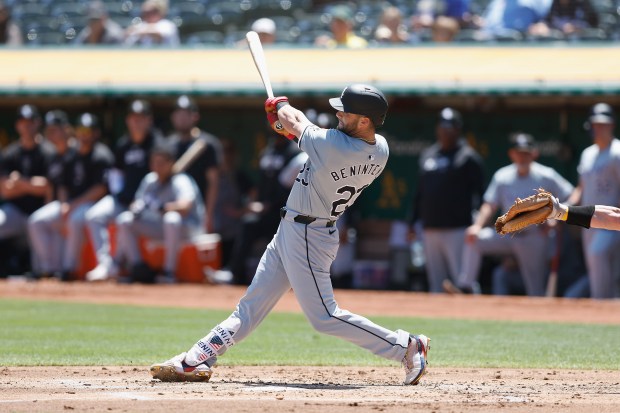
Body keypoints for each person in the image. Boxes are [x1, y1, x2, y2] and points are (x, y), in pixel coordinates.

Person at [150, 84, 430, 386]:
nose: (337, 113)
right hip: (295, 230)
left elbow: (298, 123)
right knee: (250, 308)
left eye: (345, 112)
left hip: (309, 235)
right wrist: (285, 124)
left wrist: (280, 105)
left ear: (364, 121)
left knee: (324, 316)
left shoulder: (334, 144)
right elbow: (299, 131)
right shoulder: (380, 148)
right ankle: (196, 358)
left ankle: (407, 345)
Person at [446, 133, 574, 296]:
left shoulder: (546, 175)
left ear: (534, 153)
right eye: (519, 152)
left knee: (535, 292)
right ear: (511, 154)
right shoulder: (503, 176)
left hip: (533, 237)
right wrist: (477, 226)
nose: (522, 156)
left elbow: (571, 194)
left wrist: (557, 218)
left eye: (526, 152)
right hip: (507, 233)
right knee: (474, 239)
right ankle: (465, 287)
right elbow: (489, 206)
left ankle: (539, 316)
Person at [28, 112, 114, 281]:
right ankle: (48, 268)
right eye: (81, 130)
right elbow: (63, 185)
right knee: (36, 220)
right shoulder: (71, 154)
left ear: (96, 133)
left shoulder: (101, 154)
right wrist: (63, 204)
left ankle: (69, 268)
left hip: (92, 203)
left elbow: (101, 189)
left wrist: (72, 205)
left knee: (75, 219)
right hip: (71, 202)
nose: (84, 135)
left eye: (88, 131)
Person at [85, 99, 164, 281]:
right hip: (124, 199)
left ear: (148, 120)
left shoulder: (157, 144)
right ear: (128, 120)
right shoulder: (123, 145)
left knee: (124, 221)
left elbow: (161, 178)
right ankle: (106, 265)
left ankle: (120, 264)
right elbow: (115, 176)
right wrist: (120, 196)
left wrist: (143, 201)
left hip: (148, 203)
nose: (137, 122)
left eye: (141, 118)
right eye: (133, 118)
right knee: (94, 215)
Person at [410, 108, 485, 293]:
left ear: (458, 129)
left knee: (463, 280)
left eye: (450, 127)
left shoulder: (468, 157)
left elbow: (481, 194)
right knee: (436, 281)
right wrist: (412, 221)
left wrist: (477, 222)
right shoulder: (429, 155)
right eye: (442, 126)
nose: (445, 131)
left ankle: (475, 315)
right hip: (430, 228)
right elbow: (420, 192)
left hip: (458, 228)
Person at [211, 133, 302, 285]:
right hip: (265, 211)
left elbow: (288, 186)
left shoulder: (295, 152)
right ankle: (233, 273)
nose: (277, 136)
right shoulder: (268, 151)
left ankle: (295, 280)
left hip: (287, 211)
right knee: (248, 224)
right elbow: (262, 183)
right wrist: (256, 204)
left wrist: (270, 204)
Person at [115, 144, 204, 284]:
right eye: (154, 163)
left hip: (188, 228)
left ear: (171, 164)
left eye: (161, 163)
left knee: (171, 219)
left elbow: (185, 206)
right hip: (162, 227)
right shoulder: (150, 180)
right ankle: (138, 267)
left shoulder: (180, 180)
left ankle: (169, 272)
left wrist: (162, 207)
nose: (157, 167)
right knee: (124, 220)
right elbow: (136, 202)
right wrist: (137, 208)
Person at [558, 103, 620, 299]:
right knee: (597, 268)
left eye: (603, 124)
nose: (599, 128)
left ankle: (602, 305)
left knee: (597, 254)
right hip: (590, 221)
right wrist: (560, 210)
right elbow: (581, 188)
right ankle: (603, 311)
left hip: (612, 220)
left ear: (612, 125)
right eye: (596, 124)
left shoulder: (617, 152)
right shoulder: (588, 154)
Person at [0, 105, 53, 275]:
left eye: (30, 122)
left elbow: (47, 187)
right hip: (15, 211)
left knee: (41, 268)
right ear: (17, 125)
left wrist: (20, 182)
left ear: (38, 123)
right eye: (23, 122)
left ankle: (46, 274)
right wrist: (32, 185)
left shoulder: (48, 151)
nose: (27, 126)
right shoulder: (10, 153)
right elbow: (5, 191)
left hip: (40, 211)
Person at [166, 95, 221, 233]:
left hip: (198, 211)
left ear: (195, 116)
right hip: (174, 207)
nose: (182, 118)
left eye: (186, 114)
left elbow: (213, 183)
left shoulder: (207, 143)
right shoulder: (168, 144)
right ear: (173, 117)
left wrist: (208, 215)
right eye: (178, 114)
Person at [211, 139, 256, 266]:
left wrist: (240, 212)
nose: (225, 156)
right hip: (213, 228)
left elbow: (254, 193)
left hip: (232, 230)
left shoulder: (238, 175)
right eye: (223, 153)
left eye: (228, 153)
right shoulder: (212, 175)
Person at [481, 0, 553, 38]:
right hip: (491, 43)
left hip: (520, 44)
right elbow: (488, 24)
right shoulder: (497, 2)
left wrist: (541, 25)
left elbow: (546, 21)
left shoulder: (537, 2)